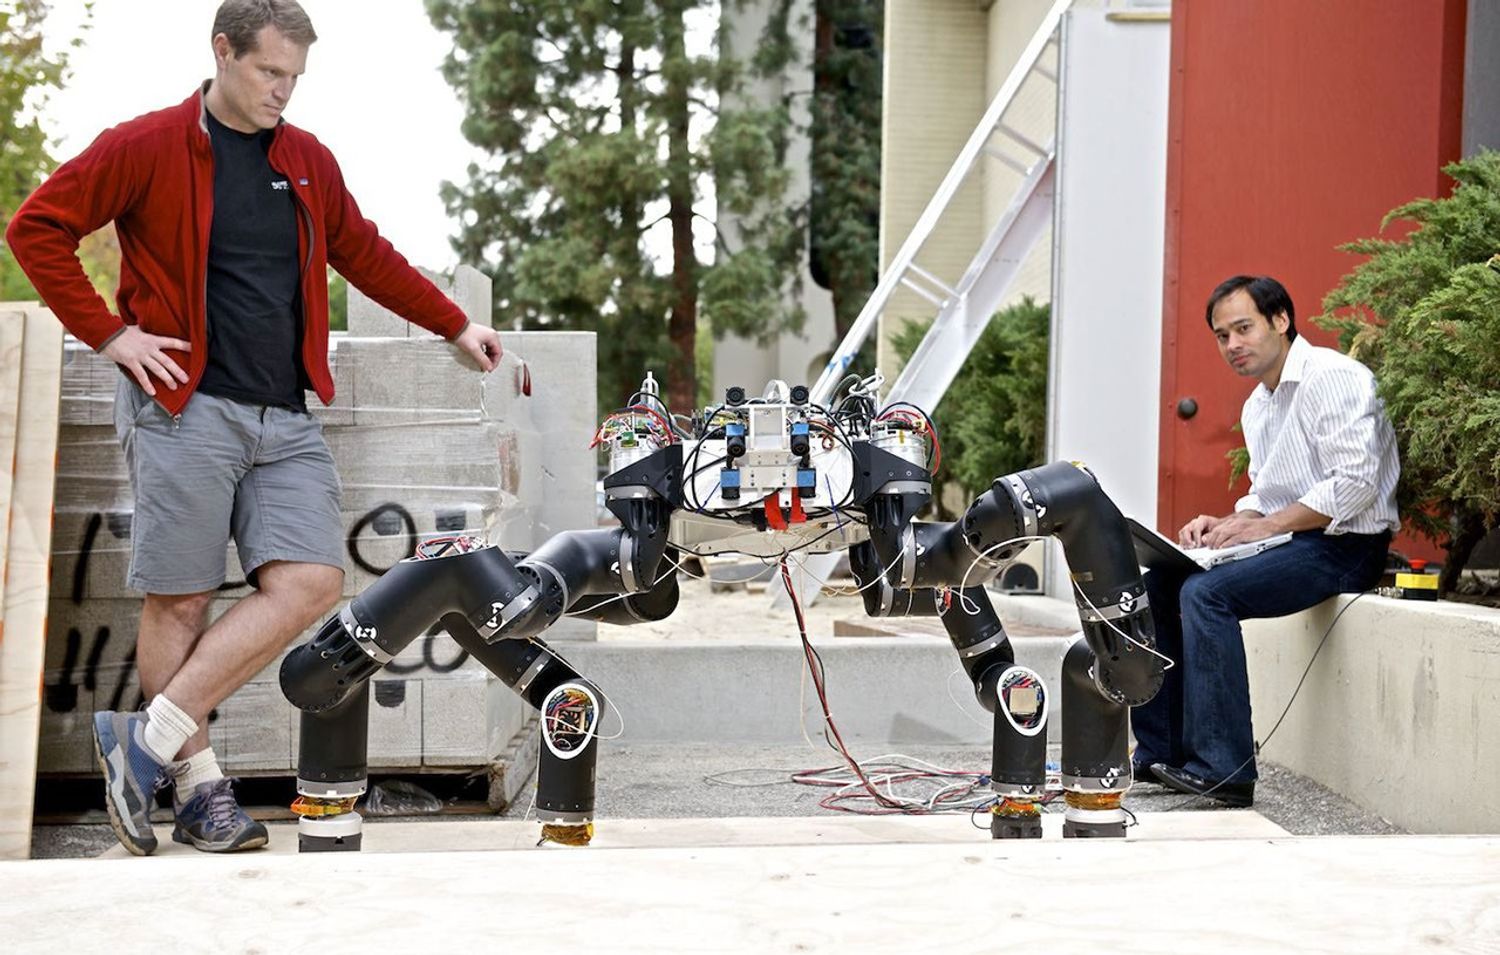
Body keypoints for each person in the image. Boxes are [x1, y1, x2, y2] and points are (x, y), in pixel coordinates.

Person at [5, 0, 503, 854]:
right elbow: (35, 227)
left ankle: (145, 740)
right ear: (223, 52)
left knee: (311, 582)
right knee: (182, 597)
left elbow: (364, 250)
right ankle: (199, 791)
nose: (284, 92)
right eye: (270, 72)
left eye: (295, 78)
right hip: (183, 408)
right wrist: (111, 333)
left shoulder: (306, 159)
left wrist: (454, 322)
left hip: (285, 413)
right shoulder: (147, 144)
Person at [1132, 275, 1398, 807]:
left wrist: (1267, 525)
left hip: (1347, 546)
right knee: (1158, 582)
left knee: (1206, 595)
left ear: (1281, 321)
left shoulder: (1334, 378)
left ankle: (1226, 770)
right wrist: (1228, 523)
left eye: (1243, 328)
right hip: (1295, 541)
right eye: (1221, 335)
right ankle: (1163, 755)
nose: (1232, 345)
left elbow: (1355, 483)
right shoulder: (1259, 404)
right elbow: (1268, 493)